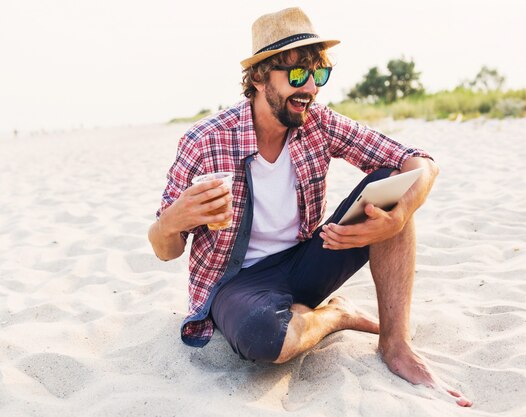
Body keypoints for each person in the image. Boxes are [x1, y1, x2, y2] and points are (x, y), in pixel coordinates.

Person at [148, 7, 471, 407]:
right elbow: (164, 250)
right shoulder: (205, 140)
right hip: (237, 283)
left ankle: (395, 344)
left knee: (393, 187)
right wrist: (173, 221)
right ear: (260, 76)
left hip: (307, 261)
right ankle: (338, 315)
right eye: (297, 74)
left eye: (318, 74)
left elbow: (419, 160)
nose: (311, 89)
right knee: (264, 339)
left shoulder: (318, 122)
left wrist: (400, 213)